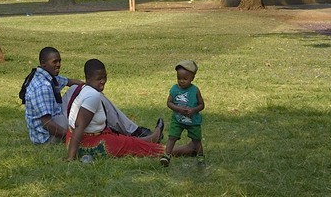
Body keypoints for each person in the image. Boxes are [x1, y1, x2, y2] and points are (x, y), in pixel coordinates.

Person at [21, 47, 156, 145]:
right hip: (47, 136)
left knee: (83, 91)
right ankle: (132, 132)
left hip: (56, 116)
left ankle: (123, 129)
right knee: (88, 107)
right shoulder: (42, 86)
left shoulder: (47, 75)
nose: (58, 65)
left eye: (59, 61)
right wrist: (70, 137)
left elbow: (70, 82)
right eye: (54, 62)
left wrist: (87, 89)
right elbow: (46, 124)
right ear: (43, 63)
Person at [64, 59, 166, 161]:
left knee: (125, 140)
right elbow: (79, 125)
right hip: (90, 144)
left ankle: (149, 139)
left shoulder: (84, 89)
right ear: (88, 78)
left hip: (73, 139)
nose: (103, 81)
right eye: (99, 78)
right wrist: (70, 158)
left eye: (105, 77)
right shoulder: (92, 95)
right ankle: (176, 150)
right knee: (140, 148)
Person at [160, 59, 205, 166]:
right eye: (179, 78)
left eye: (185, 79)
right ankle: (167, 156)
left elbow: (201, 105)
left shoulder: (195, 90)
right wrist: (178, 109)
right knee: (172, 137)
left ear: (192, 78)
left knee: (196, 139)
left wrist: (193, 110)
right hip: (178, 119)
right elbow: (169, 103)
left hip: (192, 121)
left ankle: (200, 157)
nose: (181, 81)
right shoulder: (174, 89)